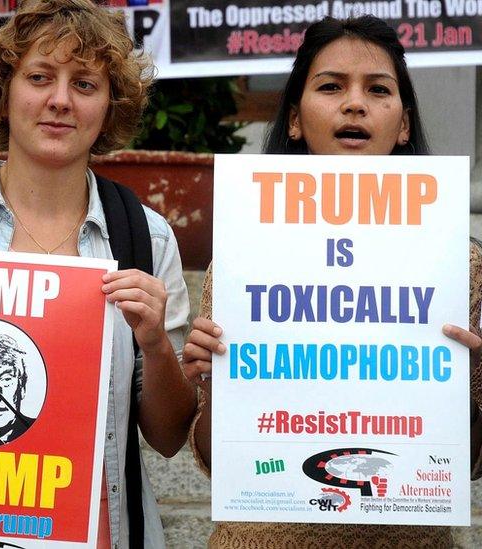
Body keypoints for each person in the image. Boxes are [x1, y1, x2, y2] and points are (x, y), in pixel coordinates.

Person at [0, 1, 196, 546]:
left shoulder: (147, 239)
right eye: (39, 77)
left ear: (108, 107)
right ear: (4, 93)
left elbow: (169, 437)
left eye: (85, 84)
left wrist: (156, 344)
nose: (59, 100)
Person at [182, 15, 482, 547]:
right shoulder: (244, 255)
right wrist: (211, 384)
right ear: (295, 120)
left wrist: (476, 381)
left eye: (378, 89)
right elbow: (215, 461)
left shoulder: (461, 266)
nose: (355, 104)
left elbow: (474, 462)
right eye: (331, 86)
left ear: (404, 124)